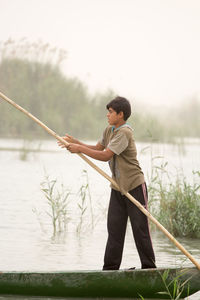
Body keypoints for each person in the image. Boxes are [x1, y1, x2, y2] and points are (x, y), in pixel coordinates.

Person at [58, 96, 156, 270]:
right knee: (114, 229)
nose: (107, 115)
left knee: (140, 230)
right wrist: (76, 143)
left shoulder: (125, 132)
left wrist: (79, 149)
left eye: (110, 112)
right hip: (118, 188)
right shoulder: (109, 130)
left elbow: (105, 156)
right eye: (108, 112)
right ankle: (110, 270)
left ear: (121, 114)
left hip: (134, 186)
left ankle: (149, 269)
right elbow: (98, 148)